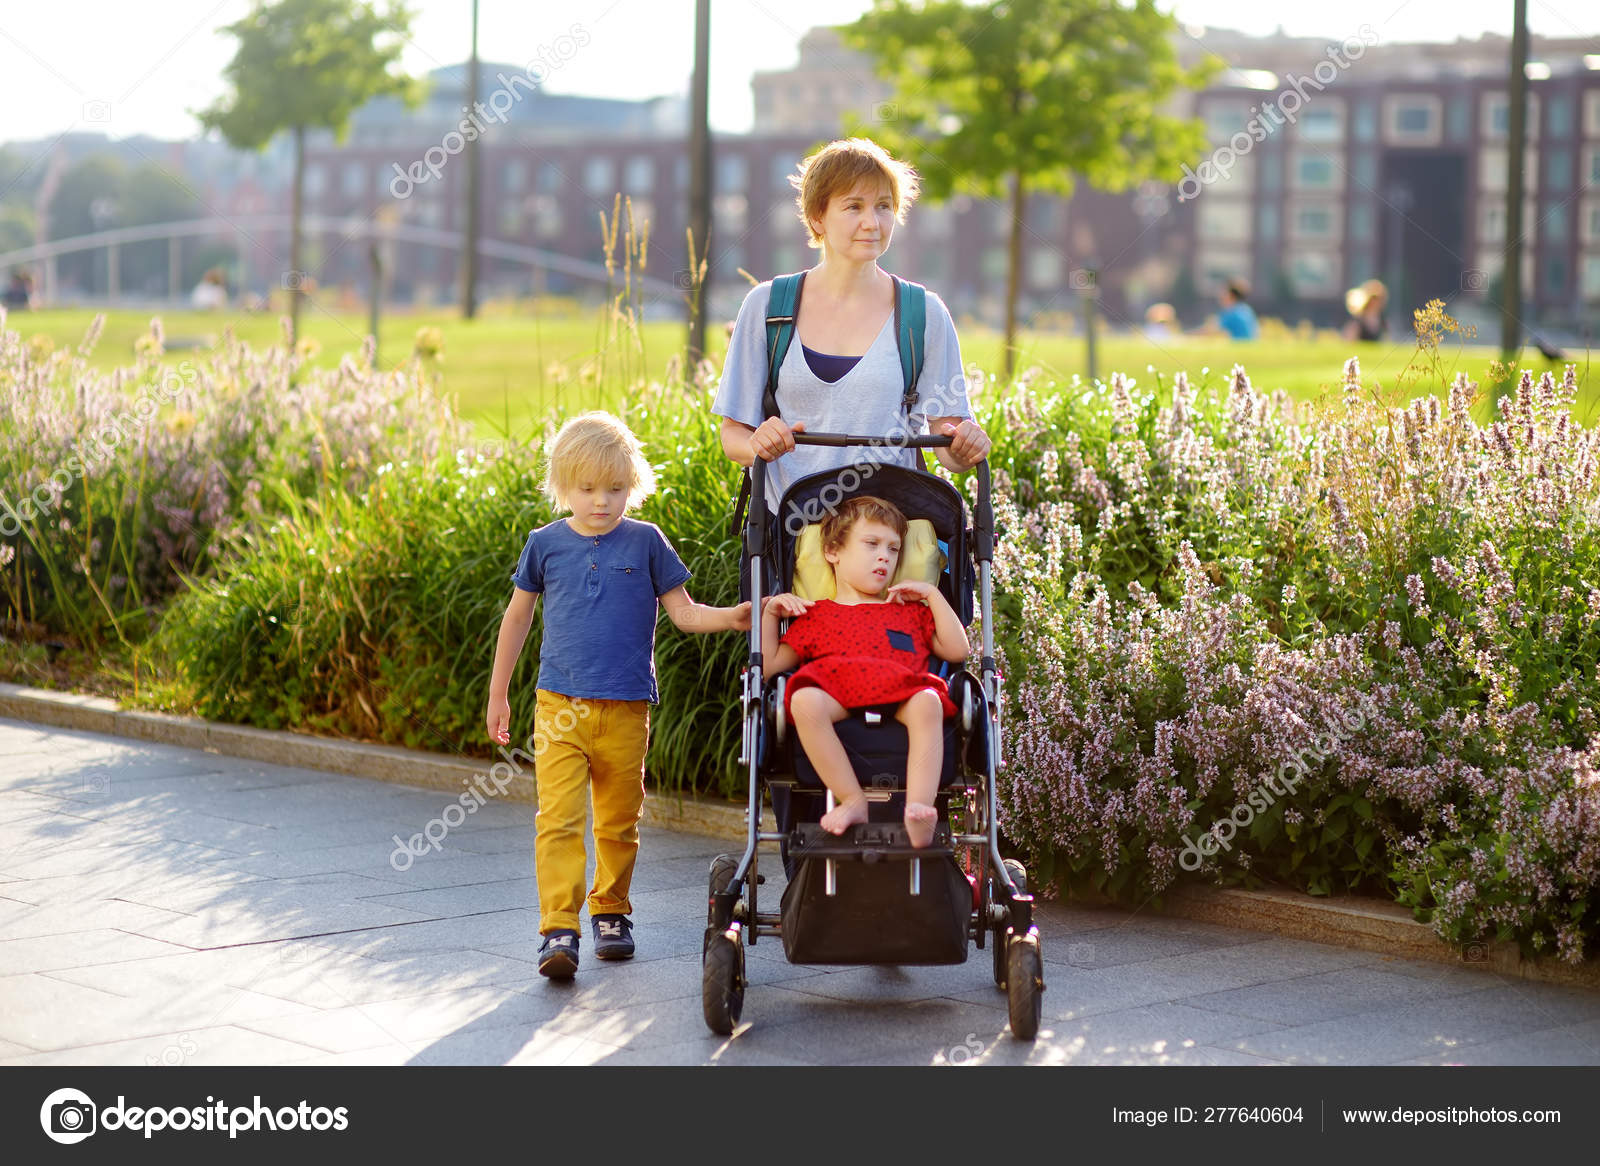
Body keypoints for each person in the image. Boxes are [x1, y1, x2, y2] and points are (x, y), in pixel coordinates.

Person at [486, 411, 751, 979]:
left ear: (633, 484)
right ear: (563, 486)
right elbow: (517, 620)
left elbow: (682, 613)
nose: (602, 500)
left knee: (617, 820)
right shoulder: (545, 545)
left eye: (615, 488)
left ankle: (611, 910)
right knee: (556, 820)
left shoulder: (647, 541)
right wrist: (499, 694)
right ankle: (559, 927)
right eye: (586, 489)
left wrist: (731, 617)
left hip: (627, 708)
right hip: (558, 709)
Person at [713, 137, 991, 506]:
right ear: (817, 216)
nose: (871, 222)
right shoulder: (767, 307)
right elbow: (733, 436)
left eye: (883, 207)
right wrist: (758, 444)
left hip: (889, 532)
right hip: (793, 530)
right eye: (853, 207)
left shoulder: (923, 314)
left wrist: (966, 446)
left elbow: (947, 445)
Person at [761, 496, 967, 850]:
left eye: (893, 549)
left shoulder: (909, 611)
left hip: (900, 688)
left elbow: (957, 650)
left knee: (929, 701)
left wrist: (933, 594)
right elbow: (767, 667)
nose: (884, 556)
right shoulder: (815, 614)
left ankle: (919, 809)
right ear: (833, 552)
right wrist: (769, 614)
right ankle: (851, 799)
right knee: (804, 699)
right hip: (836, 689)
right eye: (871, 544)